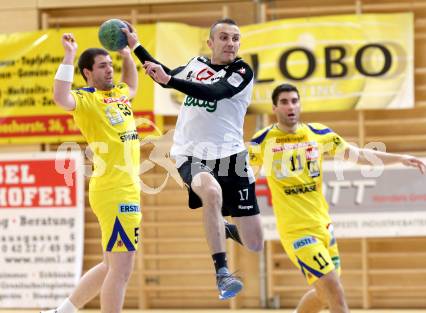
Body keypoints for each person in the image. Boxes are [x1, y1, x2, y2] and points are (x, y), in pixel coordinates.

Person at [248, 83, 426, 313]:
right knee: (336, 295)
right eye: (284, 102)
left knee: (324, 294)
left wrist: (400, 157)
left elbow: (360, 155)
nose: (290, 106)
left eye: (294, 101)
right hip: (296, 233)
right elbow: (246, 175)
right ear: (275, 108)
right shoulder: (261, 141)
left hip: (324, 227)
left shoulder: (318, 134)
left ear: (300, 104)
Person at [122, 18, 264, 300]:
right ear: (210, 42)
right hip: (191, 154)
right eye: (223, 37)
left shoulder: (242, 71)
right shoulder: (196, 64)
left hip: (232, 158)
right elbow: (163, 74)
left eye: (235, 38)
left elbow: (216, 91)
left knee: (255, 243)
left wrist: (171, 81)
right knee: (210, 193)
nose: (231, 43)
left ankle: (220, 224)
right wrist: (136, 46)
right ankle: (222, 272)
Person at [43, 31, 140, 313]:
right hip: (114, 190)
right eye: (102, 65)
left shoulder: (119, 94)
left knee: (110, 265)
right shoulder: (85, 99)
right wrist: (69, 55)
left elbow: (132, 85)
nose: (109, 69)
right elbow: (60, 97)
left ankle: (63, 311)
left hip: (125, 187)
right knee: (121, 270)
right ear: (87, 72)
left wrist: (126, 55)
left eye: (110, 64)